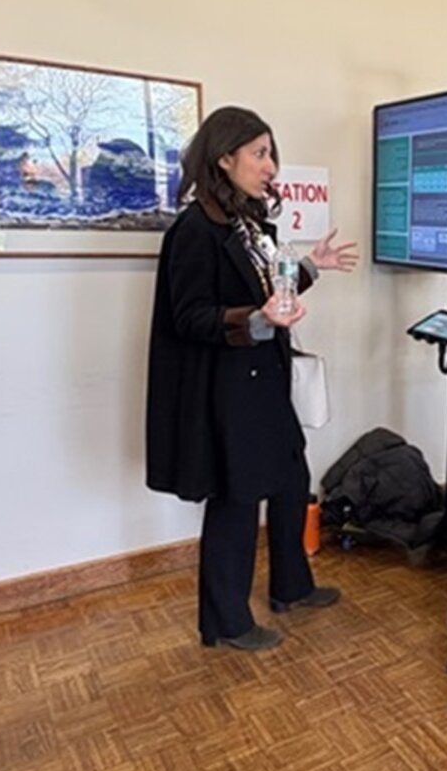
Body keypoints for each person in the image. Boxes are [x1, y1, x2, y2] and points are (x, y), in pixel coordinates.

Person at [145, 106, 357, 651]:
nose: (271, 166)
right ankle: (226, 622)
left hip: (265, 379)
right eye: (260, 154)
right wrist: (256, 320)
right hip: (227, 389)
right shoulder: (194, 230)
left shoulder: (249, 222)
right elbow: (190, 316)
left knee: (290, 476)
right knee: (237, 499)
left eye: (271, 153)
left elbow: (270, 297)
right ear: (225, 158)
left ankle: (290, 586)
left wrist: (311, 266)